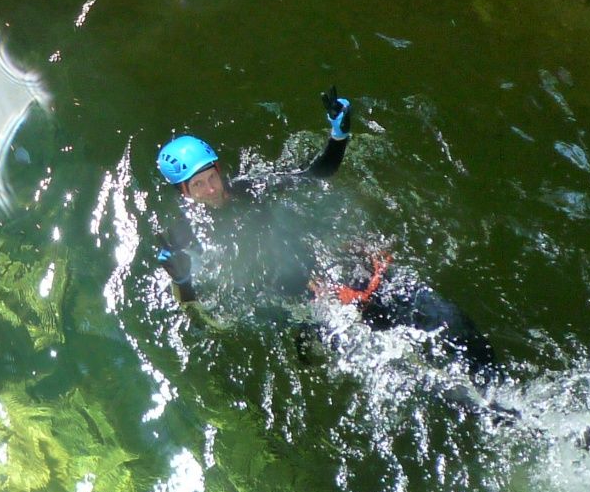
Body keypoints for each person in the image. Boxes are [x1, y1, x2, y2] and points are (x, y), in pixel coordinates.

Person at [154, 91, 498, 382]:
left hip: (335, 273)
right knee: (406, 366)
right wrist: (182, 279)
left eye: (211, 176)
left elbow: (316, 174)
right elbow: (198, 315)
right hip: (308, 309)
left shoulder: (253, 189)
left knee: (449, 323)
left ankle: (497, 383)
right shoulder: (183, 238)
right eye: (197, 185)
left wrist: (339, 136)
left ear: (219, 168)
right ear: (183, 192)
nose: (211, 189)